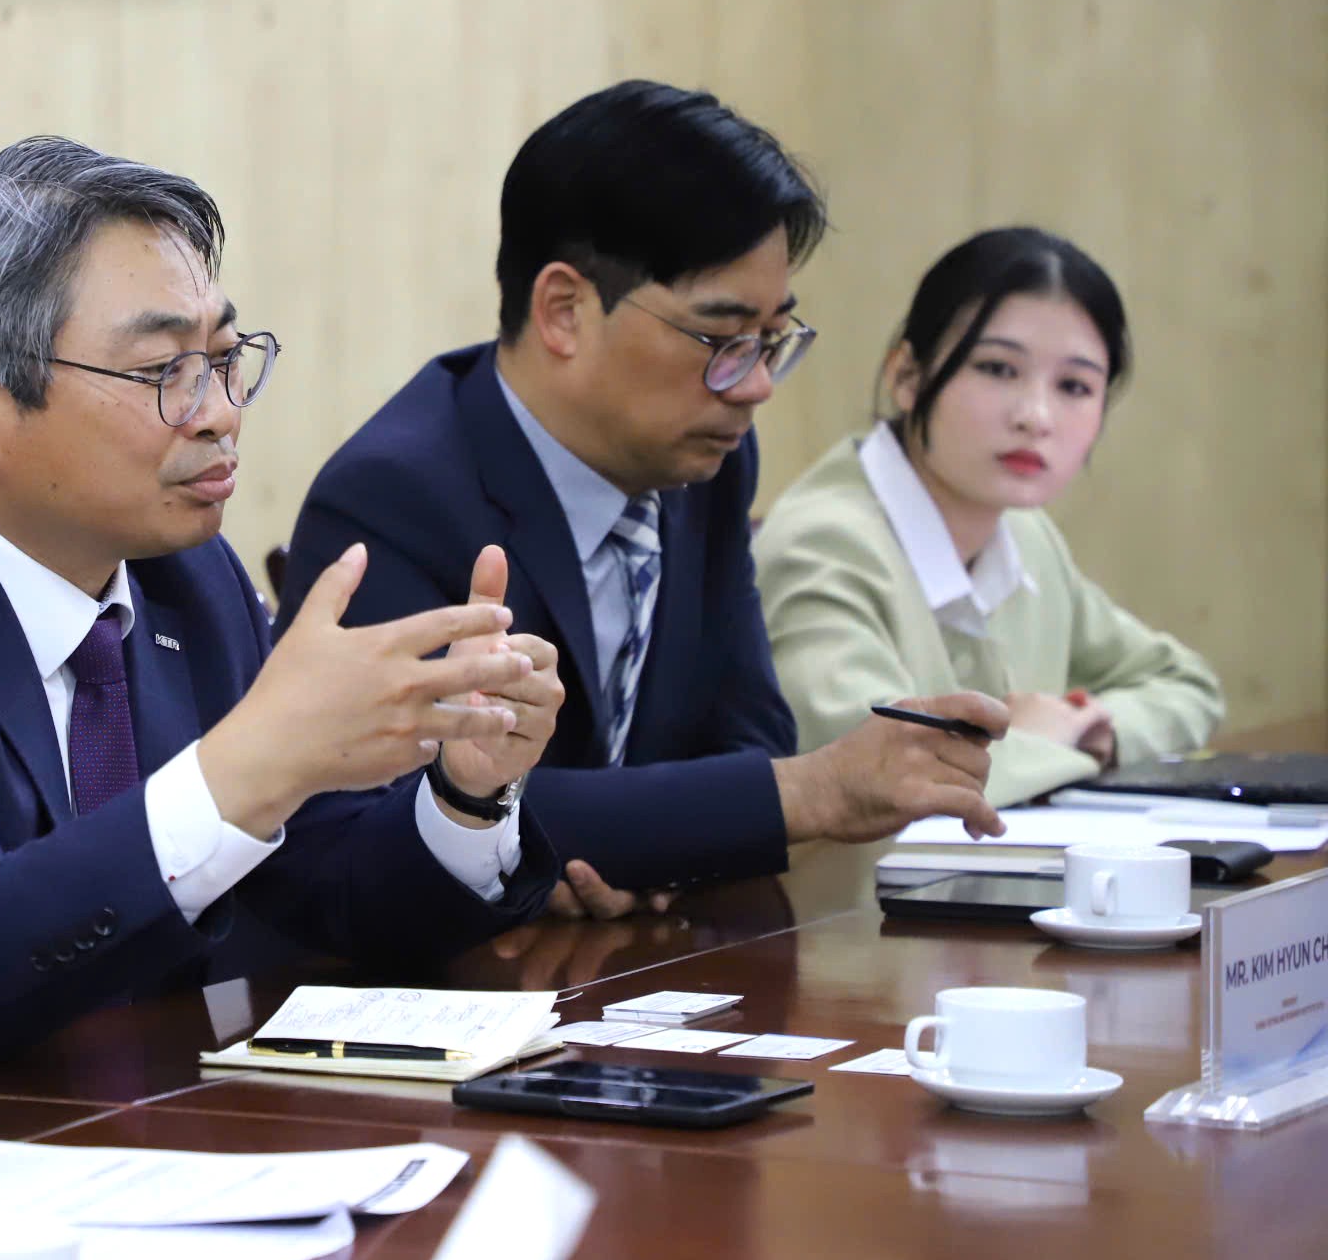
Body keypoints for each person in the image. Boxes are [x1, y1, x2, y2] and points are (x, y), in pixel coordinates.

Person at [0, 137, 566, 1064]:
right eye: (162, 372)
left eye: (223, 358)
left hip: (157, 1125)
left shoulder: (188, 583)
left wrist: (467, 792)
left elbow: (325, 890)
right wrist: (242, 769)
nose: (221, 411)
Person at [275, 81, 1009, 919]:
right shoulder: (396, 496)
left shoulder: (705, 459)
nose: (757, 385)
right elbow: (398, 812)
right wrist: (817, 792)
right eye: (722, 339)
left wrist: (654, 847)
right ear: (564, 310)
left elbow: (748, 736)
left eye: (772, 338)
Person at [754, 227, 1224, 809]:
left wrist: (1092, 729)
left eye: (1074, 385)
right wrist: (1041, 740)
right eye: (998, 369)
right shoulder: (822, 546)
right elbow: (883, 771)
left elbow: (1187, 685)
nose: (1036, 416)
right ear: (907, 376)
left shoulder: (1024, 536)